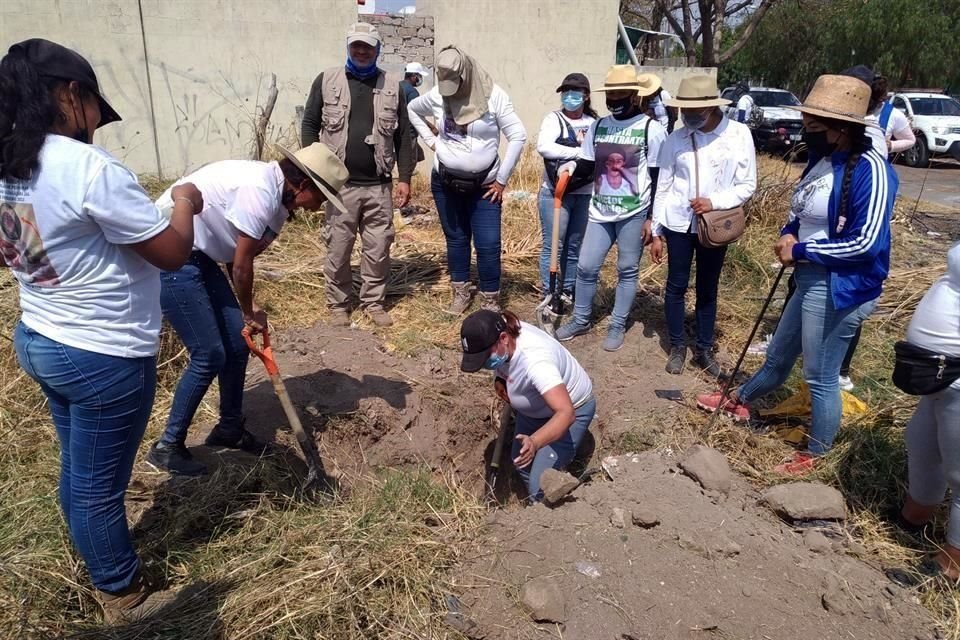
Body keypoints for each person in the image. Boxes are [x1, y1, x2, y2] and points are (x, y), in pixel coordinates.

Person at [0, 39, 204, 621]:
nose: (96, 121)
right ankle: (122, 591)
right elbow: (169, 253)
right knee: (98, 485)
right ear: (71, 95)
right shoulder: (89, 169)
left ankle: (91, 555)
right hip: (100, 352)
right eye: (92, 105)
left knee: (79, 467)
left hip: (41, 336)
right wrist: (184, 201)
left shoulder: (11, 164)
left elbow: (12, 250)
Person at [697, 74, 897, 475]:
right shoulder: (824, 159)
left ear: (841, 130)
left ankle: (818, 454)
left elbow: (866, 243)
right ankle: (740, 398)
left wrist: (801, 249)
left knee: (820, 375)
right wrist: (789, 233)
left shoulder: (872, 171)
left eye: (814, 126)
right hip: (807, 276)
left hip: (839, 285)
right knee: (779, 354)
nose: (807, 131)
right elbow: (800, 210)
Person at [145, 144, 349, 476]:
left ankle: (229, 428)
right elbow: (241, 267)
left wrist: (247, 308)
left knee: (238, 343)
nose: (321, 205)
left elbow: (236, 253)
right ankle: (168, 446)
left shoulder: (278, 204)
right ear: (304, 185)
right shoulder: (259, 191)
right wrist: (248, 309)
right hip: (172, 254)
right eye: (322, 196)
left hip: (201, 256)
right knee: (209, 353)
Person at [301, 22, 414, 328]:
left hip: (379, 186)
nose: (362, 52)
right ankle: (339, 303)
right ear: (348, 48)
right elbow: (310, 123)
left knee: (378, 249)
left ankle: (373, 302)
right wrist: (313, 170)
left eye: (368, 47)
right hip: (340, 187)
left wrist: (404, 178)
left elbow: (405, 135)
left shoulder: (393, 86)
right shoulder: (328, 80)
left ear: (378, 50)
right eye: (356, 46)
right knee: (338, 246)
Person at [554, 66, 667, 352]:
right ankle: (581, 318)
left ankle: (617, 323)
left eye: (619, 93)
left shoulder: (650, 130)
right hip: (600, 211)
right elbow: (588, 164)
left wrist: (653, 220)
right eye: (610, 93)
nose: (614, 98)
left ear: (633, 94)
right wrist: (568, 171)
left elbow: (658, 178)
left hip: (633, 213)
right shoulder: (599, 126)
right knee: (586, 266)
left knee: (627, 270)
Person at [651, 75, 757, 376]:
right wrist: (657, 230)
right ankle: (677, 345)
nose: (689, 118)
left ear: (712, 108)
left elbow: (747, 184)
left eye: (696, 112)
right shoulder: (676, 138)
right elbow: (665, 185)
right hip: (678, 223)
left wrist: (715, 201)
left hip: (715, 224)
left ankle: (704, 348)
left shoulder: (738, 135)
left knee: (708, 287)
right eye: (685, 112)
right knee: (675, 286)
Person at [407, 46, 526, 314]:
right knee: (457, 239)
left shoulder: (494, 97)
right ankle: (460, 292)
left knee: (488, 243)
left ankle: (490, 301)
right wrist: (432, 142)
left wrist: (502, 180)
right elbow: (412, 109)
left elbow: (518, 136)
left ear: (466, 73)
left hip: (484, 187)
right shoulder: (439, 94)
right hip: (446, 182)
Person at [459, 309, 595, 502]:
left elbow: (566, 413)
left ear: (504, 338)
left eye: (485, 357)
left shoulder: (536, 362)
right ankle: (535, 503)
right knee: (521, 463)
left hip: (571, 410)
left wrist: (536, 441)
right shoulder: (500, 331)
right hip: (535, 410)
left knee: (539, 487)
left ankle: (547, 513)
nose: (484, 364)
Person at [891, 242, 960, 580]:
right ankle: (914, 518)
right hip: (938, 374)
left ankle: (951, 566)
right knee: (921, 444)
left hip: (957, 375)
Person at [534, 72, 598, 299]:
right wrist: (580, 153)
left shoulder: (593, 123)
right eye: (566, 92)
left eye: (575, 92)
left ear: (586, 96)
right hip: (555, 193)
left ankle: (568, 290)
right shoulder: (553, 119)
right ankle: (549, 291)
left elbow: (599, 153)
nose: (570, 96)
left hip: (584, 193)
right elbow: (545, 147)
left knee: (574, 246)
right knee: (553, 245)